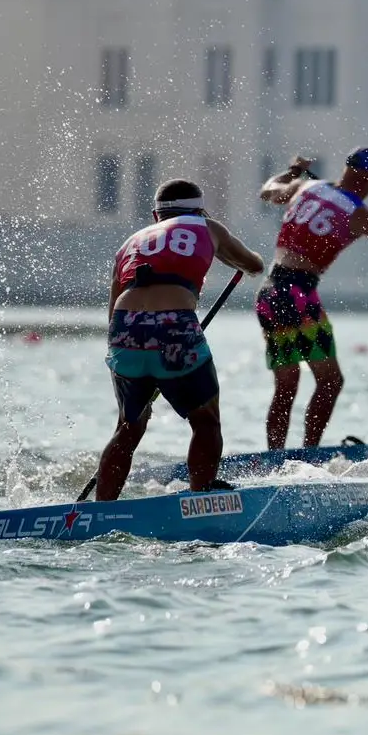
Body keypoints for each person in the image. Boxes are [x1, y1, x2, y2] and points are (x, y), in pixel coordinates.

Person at [257, 148, 368, 449]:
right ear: (367, 178)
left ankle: (274, 457)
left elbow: (268, 192)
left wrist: (292, 171)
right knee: (330, 382)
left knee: (286, 386)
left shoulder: (305, 186)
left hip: (269, 292)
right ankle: (309, 454)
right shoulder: (362, 216)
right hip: (298, 295)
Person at [97, 179, 266, 501]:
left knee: (128, 427)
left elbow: (112, 313)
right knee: (206, 422)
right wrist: (225, 251)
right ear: (200, 209)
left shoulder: (131, 242)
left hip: (124, 330)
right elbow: (254, 266)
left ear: (155, 215)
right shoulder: (207, 226)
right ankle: (200, 499)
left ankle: (100, 510)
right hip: (174, 323)